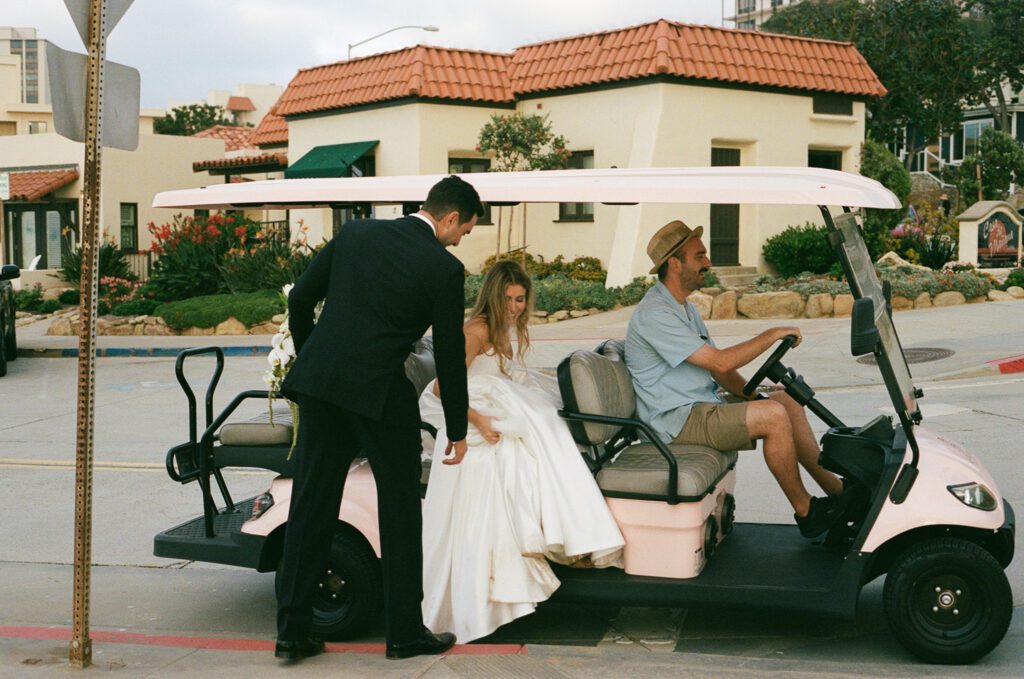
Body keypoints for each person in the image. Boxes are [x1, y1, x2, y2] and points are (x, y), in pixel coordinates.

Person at [275, 176, 484, 661]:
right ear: (450, 218)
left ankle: (291, 632)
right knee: (399, 508)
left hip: (323, 386)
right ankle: (405, 633)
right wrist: (456, 429)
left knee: (310, 506)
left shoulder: (356, 233)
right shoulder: (443, 268)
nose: (460, 241)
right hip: (379, 392)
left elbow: (299, 298)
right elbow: (451, 356)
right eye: (465, 231)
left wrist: (315, 362)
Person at [418, 260, 624, 643]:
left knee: (548, 419)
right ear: (493, 298)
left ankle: (568, 529)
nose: (515, 307)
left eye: (521, 298)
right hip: (471, 411)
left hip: (495, 399)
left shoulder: (506, 329)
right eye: (509, 299)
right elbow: (447, 389)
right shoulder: (475, 331)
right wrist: (477, 421)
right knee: (539, 425)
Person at [625, 220, 847, 539]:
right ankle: (807, 511)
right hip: (674, 421)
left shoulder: (683, 309)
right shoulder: (655, 315)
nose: (708, 263)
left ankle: (838, 492)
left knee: (785, 401)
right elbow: (720, 360)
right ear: (674, 263)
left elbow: (720, 371)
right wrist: (770, 335)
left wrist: (751, 392)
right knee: (772, 417)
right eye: (699, 256)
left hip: (698, 406)